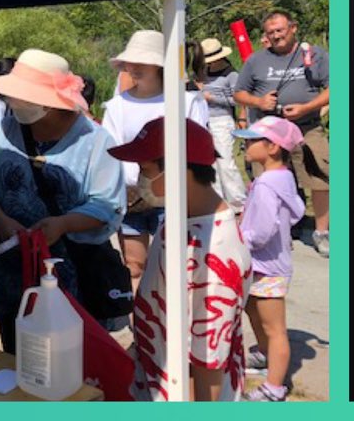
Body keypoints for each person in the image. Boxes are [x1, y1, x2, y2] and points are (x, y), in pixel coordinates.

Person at [0, 50, 127, 346]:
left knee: (70, 367)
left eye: (20, 98)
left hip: (72, 282)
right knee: (17, 358)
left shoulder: (95, 142)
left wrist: (63, 224)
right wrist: (1, 220)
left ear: (47, 105)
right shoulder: (6, 130)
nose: (12, 104)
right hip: (14, 278)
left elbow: (107, 205)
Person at [107, 118, 250, 402]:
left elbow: (208, 363)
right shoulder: (182, 217)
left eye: (145, 169)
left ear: (177, 170)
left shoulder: (213, 254)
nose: (139, 179)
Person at [99, 29, 215, 297]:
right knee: (134, 268)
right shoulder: (117, 106)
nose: (133, 68)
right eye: (130, 62)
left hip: (174, 199)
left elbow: (198, 151)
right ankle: (142, 335)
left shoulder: (187, 101)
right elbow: (111, 151)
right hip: (130, 200)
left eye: (141, 62)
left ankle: (171, 336)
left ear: (160, 65)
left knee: (176, 271)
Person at [233, 10, 329, 254]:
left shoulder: (314, 54)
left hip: (307, 126)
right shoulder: (255, 60)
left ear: (293, 28)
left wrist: (307, 107)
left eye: (280, 30)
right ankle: (277, 232)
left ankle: (321, 232)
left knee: (321, 176)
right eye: (270, 32)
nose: (276, 36)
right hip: (268, 130)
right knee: (267, 182)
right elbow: (239, 93)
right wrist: (259, 102)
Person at [235, 117, 306, 403]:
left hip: (266, 266)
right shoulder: (281, 177)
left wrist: (237, 237)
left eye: (252, 140)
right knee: (255, 314)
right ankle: (264, 357)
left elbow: (261, 232)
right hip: (265, 265)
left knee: (274, 329)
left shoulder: (266, 184)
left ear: (273, 147)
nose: (246, 145)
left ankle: (274, 387)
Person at [196, 40, 246, 209]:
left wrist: (212, 98)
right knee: (211, 163)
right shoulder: (204, 72)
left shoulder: (231, 75)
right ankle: (217, 200)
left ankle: (238, 201)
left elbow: (237, 99)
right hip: (204, 119)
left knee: (225, 162)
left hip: (222, 120)